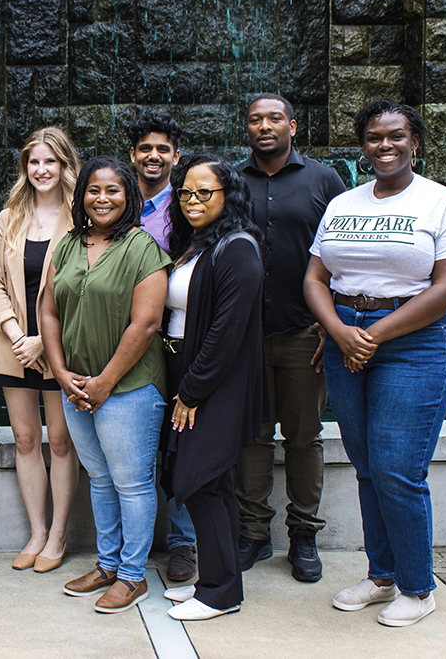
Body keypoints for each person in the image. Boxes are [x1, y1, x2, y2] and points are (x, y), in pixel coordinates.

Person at [303, 98, 446, 627]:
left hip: (415, 342)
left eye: (396, 136)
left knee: (398, 468)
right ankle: (382, 576)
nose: (386, 145)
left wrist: (372, 335)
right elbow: (315, 278)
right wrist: (339, 331)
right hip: (347, 337)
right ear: (363, 147)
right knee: (367, 467)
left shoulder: (442, 202)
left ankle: (418, 587)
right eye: (375, 137)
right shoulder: (344, 203)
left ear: (415, 143)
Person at [42, 156, 169, 613]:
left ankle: (134, 576)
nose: (102, 199)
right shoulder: (69, 245)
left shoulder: (144, 248)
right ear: (82, 198)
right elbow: (49, 311)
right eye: (94, 191)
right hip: (74, 385)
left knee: (132, 483)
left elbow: (147, 323)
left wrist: (104, 382)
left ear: (128, 195)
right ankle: (108, 564)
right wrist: (59, 372)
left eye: (112, 191)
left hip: (129, 387)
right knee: (99, 479)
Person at [235, 93, 347, 581]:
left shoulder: (324, 179)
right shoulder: (231, 179)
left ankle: (303, 534)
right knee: (253, 437)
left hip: (306, 331)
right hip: (245, 334)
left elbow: (345, 254)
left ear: (293, 126)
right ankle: (254, 534)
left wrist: (334, 321)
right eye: (256, 119)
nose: (265, 126)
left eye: (274, 118)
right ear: (247, 128)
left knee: (303, 437)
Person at [160, 154, 266, 621]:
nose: (192, 200)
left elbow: (227, 331)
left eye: (205, 192)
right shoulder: (200, 244)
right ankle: (218, 584)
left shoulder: (238, 247)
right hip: (189, 373)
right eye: (185, 192)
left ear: (229, 195)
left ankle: (220, 593)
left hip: (212, 381)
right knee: (212, 486)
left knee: (201, 481)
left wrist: (192, 390)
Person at [0, 127, 81, 573]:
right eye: (34, 162)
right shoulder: (10, 217)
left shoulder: (82, 216)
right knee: (26, 440)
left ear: (64, 165)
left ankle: (59, 534)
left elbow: (82, 285)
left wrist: (44, 337)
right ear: (25, 168)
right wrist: (14, 333)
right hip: (13, 347)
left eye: (50, 161)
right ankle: (37, 531)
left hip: (59, 345)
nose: (41, 170)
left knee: (61, 441)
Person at [126, 108, 198, 583]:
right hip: (126, 341)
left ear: (176, 155)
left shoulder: (188, 207)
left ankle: (184, 542)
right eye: (145, 149)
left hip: (175, 342)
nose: (154, 157)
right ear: (132, 155)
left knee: (182, 441)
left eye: (163, 149)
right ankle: (130, 542)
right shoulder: (115, 200)